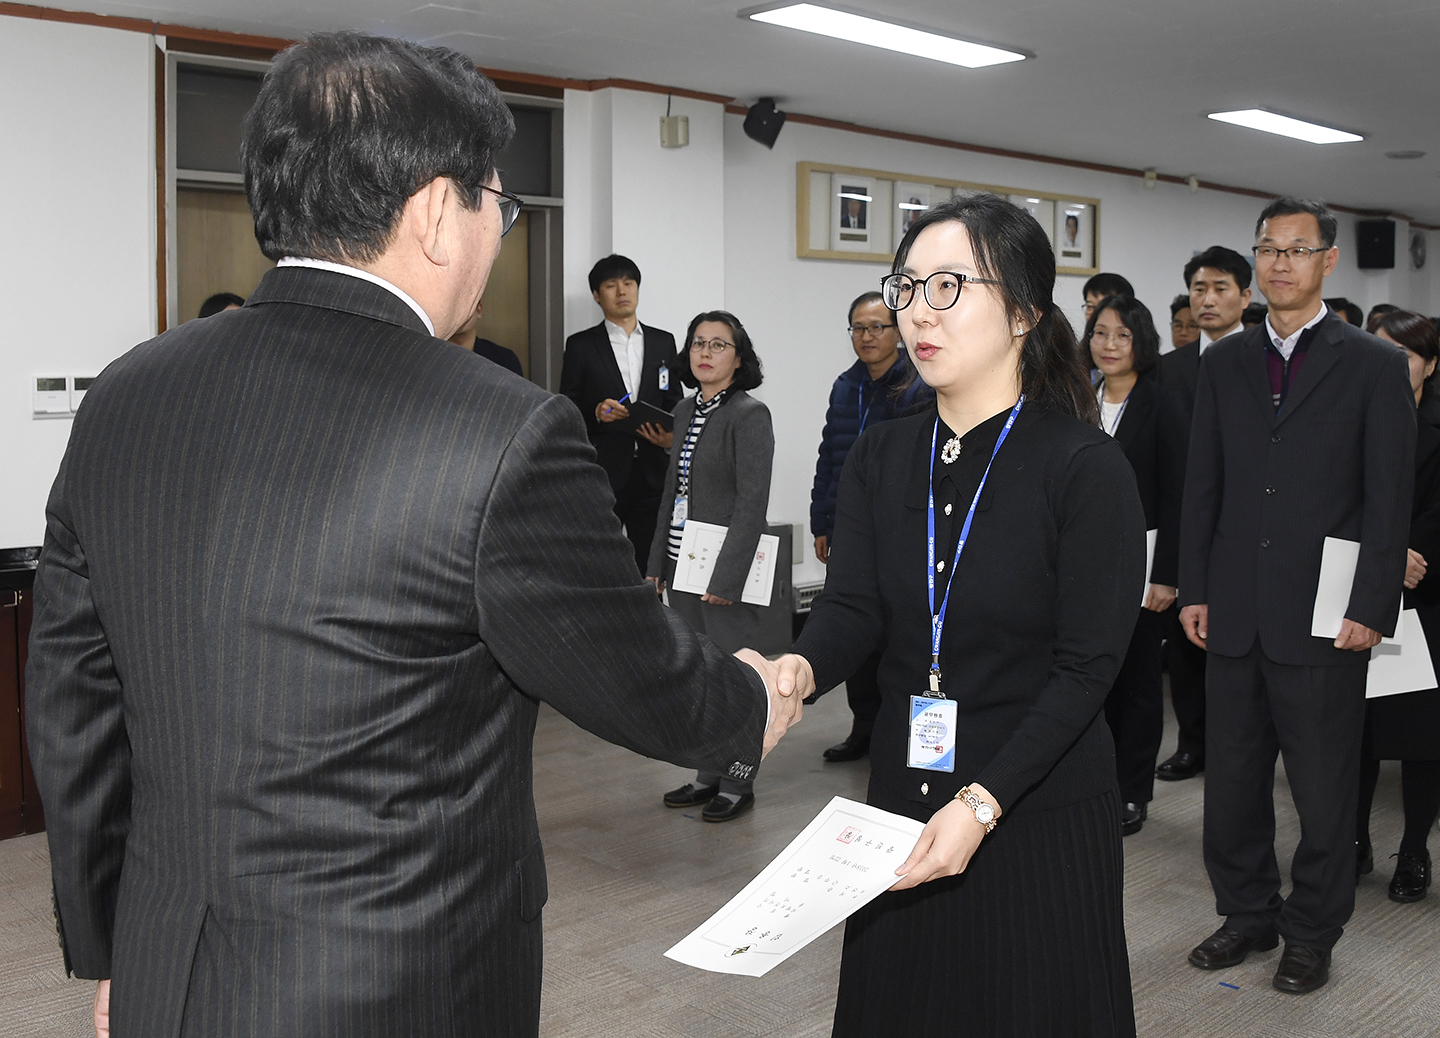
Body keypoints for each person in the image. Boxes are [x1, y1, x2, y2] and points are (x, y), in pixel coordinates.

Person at [24, 33, 807, 1038]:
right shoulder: (497, 427)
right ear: (440, 210)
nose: (497, 230)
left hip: (170, 965)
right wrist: (751, 697)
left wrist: (114, 951)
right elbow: (636, 679)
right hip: (399, 983)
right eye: (499, 203)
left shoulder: (129, 393)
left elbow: (74, 702)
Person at [781, 193, 1145, 1036]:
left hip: (1033, 804)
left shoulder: (1083, 466)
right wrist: (797, 668)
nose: (916, 312)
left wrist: (984, 804)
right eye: (906, 287)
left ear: (1022, 310)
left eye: (948, 286)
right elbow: (855, 607)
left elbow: (1088, 668)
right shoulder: (883, 451)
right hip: (906, 797)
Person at [1179, 197, 1415, 995]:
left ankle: (1312, 931)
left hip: (1325, 615)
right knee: (1235, 783)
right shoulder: (1226, 362)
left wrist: (1371, 606)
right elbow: (1202, 484)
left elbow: (1389, 499)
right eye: (1269, 249)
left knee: (1322, 792)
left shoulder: (1375, 365)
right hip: (1234, 610)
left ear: (1327, 261)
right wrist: (1195, 587)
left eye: (1297, 249)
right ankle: (1246, 912)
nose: (1281, 263)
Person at [648, 312, 774, 822]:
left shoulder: (749, 414)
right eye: (699, 343)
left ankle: (738, 781)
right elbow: (672, 495)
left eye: (719, 345)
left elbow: (752, 503)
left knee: (735, 677)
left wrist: (728, 578)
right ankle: (707, 773)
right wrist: (657, 562)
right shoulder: (684, 409)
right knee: (698, 676)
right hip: (683, 567)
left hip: (724, 574)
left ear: (738, 358)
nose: (706, 352)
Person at [811, 290, 934, 764]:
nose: (866, 337)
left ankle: (898, 730)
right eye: (858, 329)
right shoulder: (846, 386)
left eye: (877, 327)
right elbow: (829, 458)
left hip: (899, 531)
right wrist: (821, 520)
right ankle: (863, 726)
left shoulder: (918, 386)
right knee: (855, 632)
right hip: (848, 528)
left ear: (898, 333)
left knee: (899, 634)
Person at [1154, 245, 1253, 783]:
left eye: (1220, 289)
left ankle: (1242, 746)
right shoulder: (1168, 370)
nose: (1207, 300)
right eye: (1199, 289)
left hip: (1245, 527)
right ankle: (1193, 744)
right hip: (1184, 526)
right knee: (1189, 650)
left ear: (1245, 295)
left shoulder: (1264, 362)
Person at [1085, 294, 1179, 836]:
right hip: (1085, 558)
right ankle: (1093, 782)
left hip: (1144, 561)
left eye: (1122, 335)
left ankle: (1132, 791)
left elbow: (1177, 492)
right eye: (1100, 333)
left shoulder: (1163, 402)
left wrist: (1166, 572)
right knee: (1090, 676)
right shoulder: (1078, 396)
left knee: (1139, 682)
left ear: (1141, 341)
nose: (1110, 345)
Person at [1357, 309, 1440, 903]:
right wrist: (1382, 554)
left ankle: (1413, 850)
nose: (1391, 365)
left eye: (1404, 355)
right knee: (1354, 730)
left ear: (1430, 365)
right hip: (1356, 586)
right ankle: (1351, 843)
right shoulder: (1350, 419)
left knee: (1419, 736)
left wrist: (1411, 552)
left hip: (1424, 598)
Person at [560, 254, 682, 574]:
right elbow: (567, 407)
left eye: (628, 283)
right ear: (597, 295)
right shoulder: (581, 345)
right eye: (611, 285)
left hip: (655, 471)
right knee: (602, 567)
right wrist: (597, 412)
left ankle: (654, 624)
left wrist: (672, 437)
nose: (622, 291)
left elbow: (674, 401)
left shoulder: (663, 342)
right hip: (604, 473)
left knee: (652, 569)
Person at [447, 300, 523, 375]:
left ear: (479, 310)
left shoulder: (504, 359)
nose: (461, 315)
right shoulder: (436, 357)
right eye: (454, 309)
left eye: (465, 307)